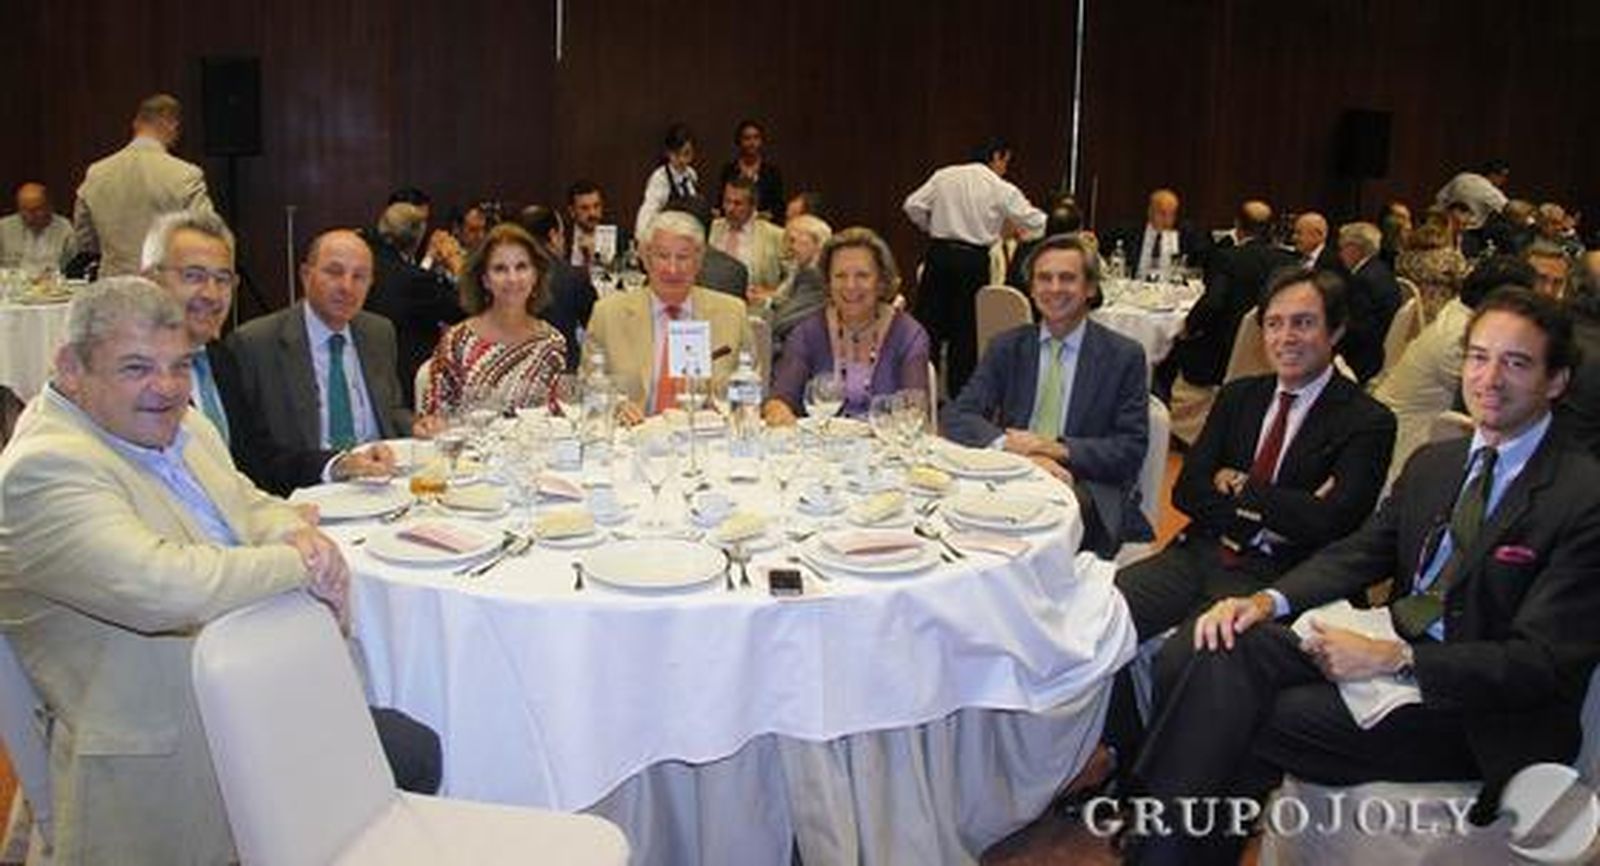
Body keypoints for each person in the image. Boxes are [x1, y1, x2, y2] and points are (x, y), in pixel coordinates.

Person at [1127, 287, 1600, 865]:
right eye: (1479, 357)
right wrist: (1266, 601)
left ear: (1556, 381)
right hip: (1390, 650)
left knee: (1257, 712)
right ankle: (1166, 842)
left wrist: (1394, 659)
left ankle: (1154, 833)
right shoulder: (1438, 463)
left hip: (1479, 712)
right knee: (1228, 649)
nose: (1490, 378)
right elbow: (1360, 552)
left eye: (1517, 362)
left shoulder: (1583, 497)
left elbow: (1541, 665)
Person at [0, 278, 438, 865]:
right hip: (171, 753)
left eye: (179, 366)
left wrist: (292, 529)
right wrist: (299, 560)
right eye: (136, 367)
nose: (166, 387)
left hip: (263, 694)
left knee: (419, 747)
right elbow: (163, 585)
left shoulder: (183, 424)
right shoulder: (43, 469)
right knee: (406, 753)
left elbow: (249, 502)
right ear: (71, 367)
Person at [1116, 268, 1396, 642]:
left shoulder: (1367, 421)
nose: (1286, 338)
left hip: (1279, 575)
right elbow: (1187, 491)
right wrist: (1289, 508)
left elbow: (1332, 525)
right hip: (1202, 551)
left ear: (1335, 330)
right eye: (1273, 324)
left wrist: (1244, 487)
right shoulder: (1239, 396)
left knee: (1194, 649)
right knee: (1105, 615)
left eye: (1303, 323)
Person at [141, 211, 396, 489]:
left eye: (223, 279)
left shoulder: (218, 360)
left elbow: (258, 460)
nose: (211, 294)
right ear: (152, 279)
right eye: (194, 276)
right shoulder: (132, 377)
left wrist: (339, 464)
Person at [943, 233, 1151, 557]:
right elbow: (957, 416)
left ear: (1090, 289)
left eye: (1067, 278)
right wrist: (1014, 447)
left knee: (1027, 532)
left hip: (1086, 487)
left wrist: (1052, 448)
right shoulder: (1008, 346)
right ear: (1032, 288)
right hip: (1010, 475)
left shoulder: (1123, 356)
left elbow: (1129, 450)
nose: (1054, 288)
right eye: (1044, 278)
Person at [226, 229, 409, 494]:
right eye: (334, 272)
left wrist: (417, 424)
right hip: (310, 489)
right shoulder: (256, 344)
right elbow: (254, 451)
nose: (347, 286)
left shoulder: (379, 332)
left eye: (359, 277)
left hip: (379, 480)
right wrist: (336, 465)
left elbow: (390, 409)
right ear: (305, 275)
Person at [1374, 255, 1536, 486]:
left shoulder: (1459, 313)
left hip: (1419, 433)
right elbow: (1499, 405)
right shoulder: (1461, 338)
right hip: (1406, 448)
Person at [904, 138, 1045, 396]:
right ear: (996, 157)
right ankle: (960, 399)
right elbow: (1036, 222)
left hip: (939, 255)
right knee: (965, 336)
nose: (1005, 168)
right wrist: (1030, 236)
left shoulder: (944, 175)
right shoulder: (1000, 187)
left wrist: (930, 227)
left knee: (927, 330)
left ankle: (917, 394)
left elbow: (912, 205)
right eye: (1005, 162)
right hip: (973, 261)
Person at [583, 210, 746, 424]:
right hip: (633, 441)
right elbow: (588, 387)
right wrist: (615, 407)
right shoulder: (608, 314)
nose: (672, 269)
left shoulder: (732, 313)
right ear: (646, 258)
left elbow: (748, 392)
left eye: (683, 257)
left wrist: (728, 409)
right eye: (662, 256)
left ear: (699, 261)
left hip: (706, 443)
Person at [764, 227, 930, 425]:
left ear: (881, 282)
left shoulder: (908, 335)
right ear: (828, 282)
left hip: (886, 449)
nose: (850, 286)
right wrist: (779, 411)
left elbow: (914, 411)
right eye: (840, 276)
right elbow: (780, 398)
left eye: (862, 275)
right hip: (821, 449)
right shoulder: (807, 333)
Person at [416, 223, 566, 422]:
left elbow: (557, 420)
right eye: (500, 269)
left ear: (535, 275)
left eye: (521, 267)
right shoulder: (458, 342)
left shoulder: (552, 344)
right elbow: (433, 419)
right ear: (485, 279)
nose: (512, 279)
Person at [72, 93, 215, 277]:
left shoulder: (96, 173)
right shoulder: (186, 175)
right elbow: (206, 235)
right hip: (164, 288)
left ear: (136, 124)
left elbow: (85, 240)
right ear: (172, 124)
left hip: (113, 289)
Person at [1172, 200, 1297, 388]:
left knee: (1176, 350)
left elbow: (1213, 303)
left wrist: (1188, 328)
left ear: (1238, 226)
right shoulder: (1289, 261)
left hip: (1225, 355)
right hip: (1275, 353)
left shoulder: (1228, 258)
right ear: (1270, 229)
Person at [361, 202, 465, 406]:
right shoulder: (414, 281)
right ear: (419, 236)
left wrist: (428, 260)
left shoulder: (367, 259)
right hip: (404, 380)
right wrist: (456, 265)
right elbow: (463, 310)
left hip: (367, 371)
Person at [519, 203, 597, 371]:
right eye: (562, 234)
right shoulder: (573, 276)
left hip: (515, 373)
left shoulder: (504, 276)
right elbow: (595, 325)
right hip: (563, 376)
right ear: (553, 236)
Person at [1335, 221, 1402, 382]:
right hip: (1381, 346)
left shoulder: (1362, 281)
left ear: (1354, 249)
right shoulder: (1382, 270)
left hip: (1365, 359)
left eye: (1341, 248)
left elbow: (1358, 330)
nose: (1339, 254)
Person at [1102, 188, 1211, 280]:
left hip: (1169, 292)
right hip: (1136, 290)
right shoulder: (1129, 231)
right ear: (1150, 211)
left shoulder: (1185, 234)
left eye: (1172, 214)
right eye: (1163, 213)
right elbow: (1102, 245)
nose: (1168, 220)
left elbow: (1203, 258)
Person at [710, 176, 785, 295]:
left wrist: (771, 293)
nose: (730, 208)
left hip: (754, 308)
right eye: (727, 201)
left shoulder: (775, 236)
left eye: (738, 203)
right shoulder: (710, 229)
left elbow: (793, 280)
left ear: (753, 206)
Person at [768, 214, 833, 348]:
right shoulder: (800, 271)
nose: (787, 248)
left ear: (817, 244)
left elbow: (782, 322)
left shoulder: (814, 277)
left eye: (792, 241)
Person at [634, 122, 699, 240]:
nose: (682, 160)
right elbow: (647, 213)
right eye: (676, 154)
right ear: (668, 153)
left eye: (687, 154)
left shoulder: (692, 175)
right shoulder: (659, 179)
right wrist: (641, 240)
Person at [717, 119, 786, 219]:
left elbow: (779, 206)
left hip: (764, 224)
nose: (752, 143)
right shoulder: (729, 170)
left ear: (761, 140)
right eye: (747, 138)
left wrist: (766, 215)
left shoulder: (772, 172)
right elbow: (721, 202)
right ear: (739, 141)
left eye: (756, 138)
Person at [0, 182, 74, 270]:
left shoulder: (65, 229)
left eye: (35, 210)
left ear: (49, 207)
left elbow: (73, 268)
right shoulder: (4, 228)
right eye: (24, 210)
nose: (29, 217)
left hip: (52, 282)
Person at [565, 179, 631, 269]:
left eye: (596, 206)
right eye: (584, 208)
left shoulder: (619, 236)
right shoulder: (563, 236)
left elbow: (624, 272)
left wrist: (594, 257)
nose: (592, 213)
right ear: (572, 211)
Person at [1433, 159, 1510, 230]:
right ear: (1493, 174)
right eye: (1503, 176)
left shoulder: (1461, 177)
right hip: (1470, 232)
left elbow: (1439, 198)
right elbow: (1510, 210)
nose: (1504, 180)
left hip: (1445, 228)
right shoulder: (1491, 191)